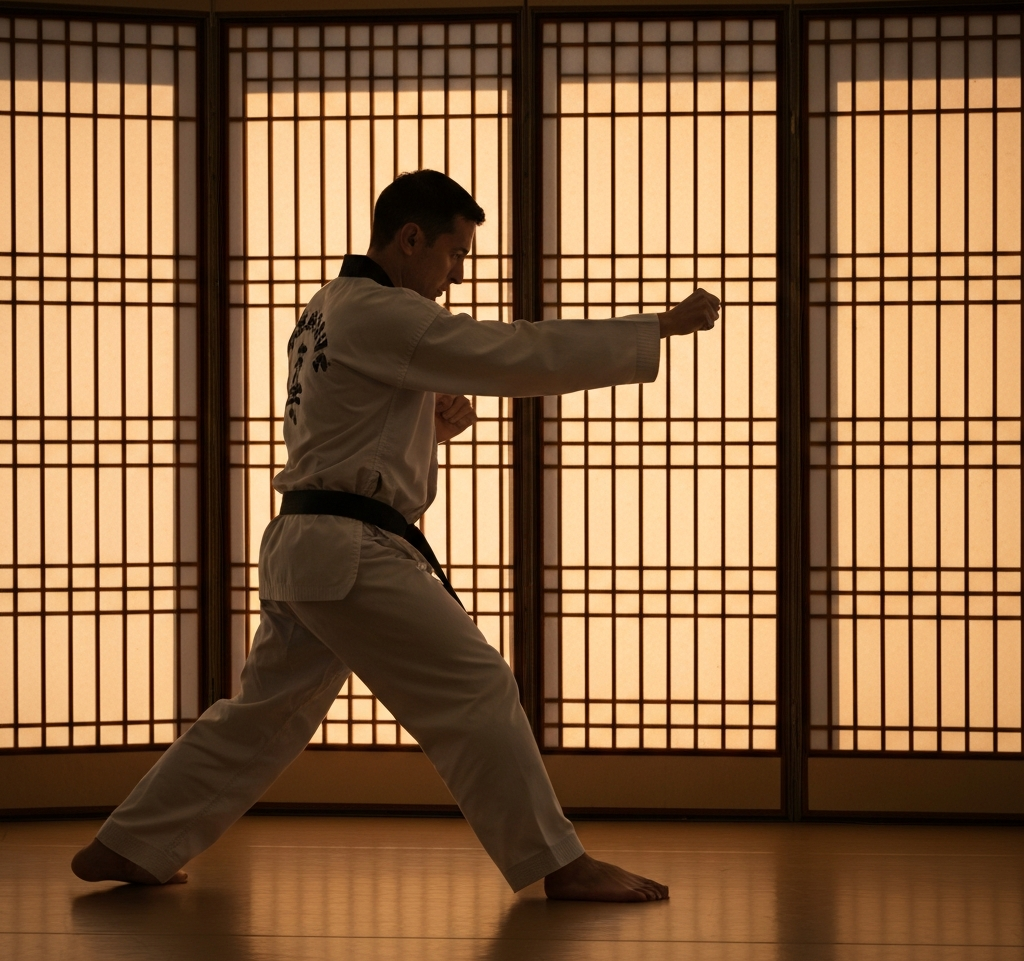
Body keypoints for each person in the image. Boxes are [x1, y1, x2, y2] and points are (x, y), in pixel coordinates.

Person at [72, 170, 720, 902]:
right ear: (410, 239)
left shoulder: (325, 309)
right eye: (452, 256)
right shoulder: (384, 314)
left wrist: (427, 429)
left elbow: (348, 436)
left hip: (305, 546)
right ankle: (557, 862)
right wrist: (654, 327)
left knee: (262, 718)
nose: (455, 277)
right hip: (349, 555)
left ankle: (132, 841)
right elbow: (516, 352)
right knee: (476, 686)